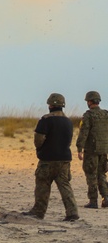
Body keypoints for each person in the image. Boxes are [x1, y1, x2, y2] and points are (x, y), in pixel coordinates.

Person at [22, 93, 80, 221]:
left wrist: (40, 150)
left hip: (47, 160)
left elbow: (38, 139)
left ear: (51, 105)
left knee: (42, 184)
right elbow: (69, 140)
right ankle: (72, 212)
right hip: (64, 159)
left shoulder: (46, 119)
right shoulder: (68, 121)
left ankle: (38, 212)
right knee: (65, 186)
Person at [76, 90, 108, 209]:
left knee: (91, 175)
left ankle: (93, 201)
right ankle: (106, 197)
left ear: (89, 102)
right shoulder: (106, 114)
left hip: (91, 151)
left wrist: (79, 148)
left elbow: (84, 132)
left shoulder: (88, 115)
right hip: (104, 150)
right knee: (102, 174)